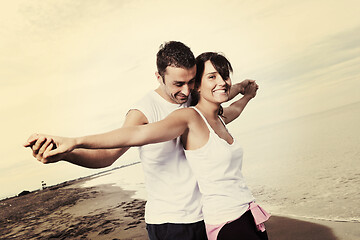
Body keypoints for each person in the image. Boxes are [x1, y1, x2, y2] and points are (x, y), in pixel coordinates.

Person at [24, 41, 256, 240]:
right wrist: (68, 151)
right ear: (159, 77)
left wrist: (243, 89)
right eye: (178, 84)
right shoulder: (144, 110)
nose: (186, 91)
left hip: (205, 216)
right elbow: (108, 156)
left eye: (192, 81)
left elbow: (216, 97)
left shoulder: (190, 98)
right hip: (171, 222)